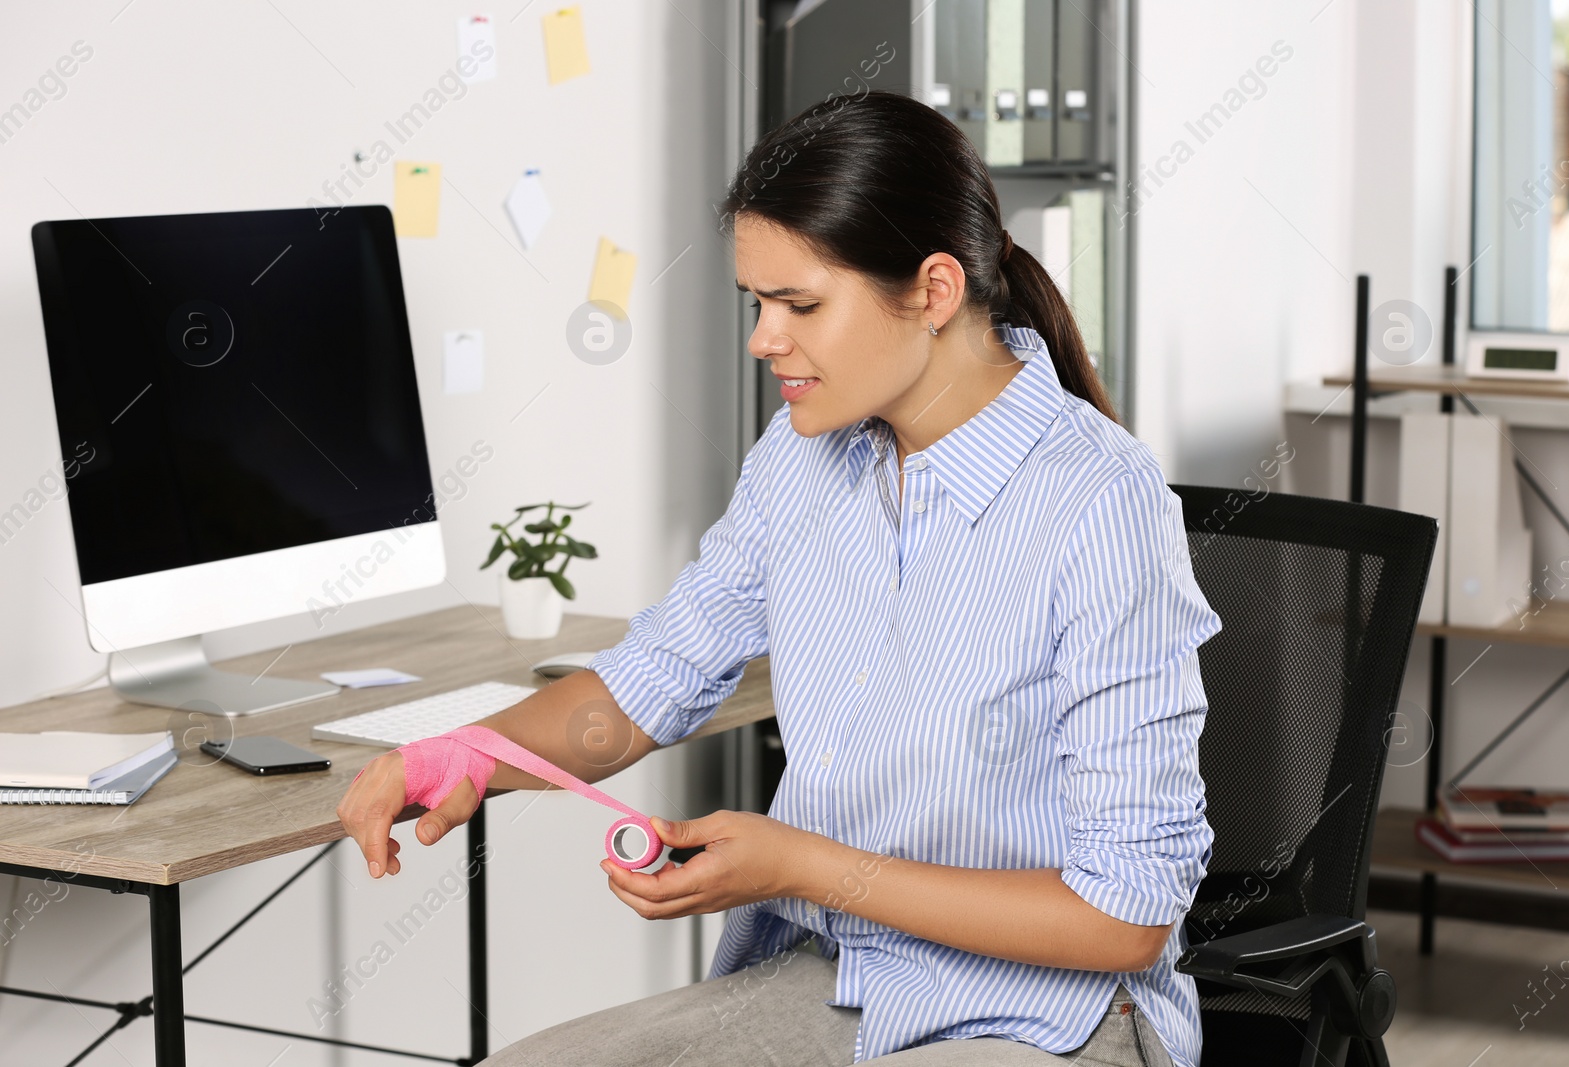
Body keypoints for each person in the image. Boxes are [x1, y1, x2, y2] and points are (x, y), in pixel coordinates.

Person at [336, 89, 1222, 1067]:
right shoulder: (802, 457)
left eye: (799, 304)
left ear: (932, 291)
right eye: (756, 302)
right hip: (833, 978)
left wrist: (801, 863)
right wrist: (457, 754)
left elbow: (1125, 916)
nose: (764, 337)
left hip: (1046, 1016)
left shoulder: (1099, 500)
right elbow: (647, 681)